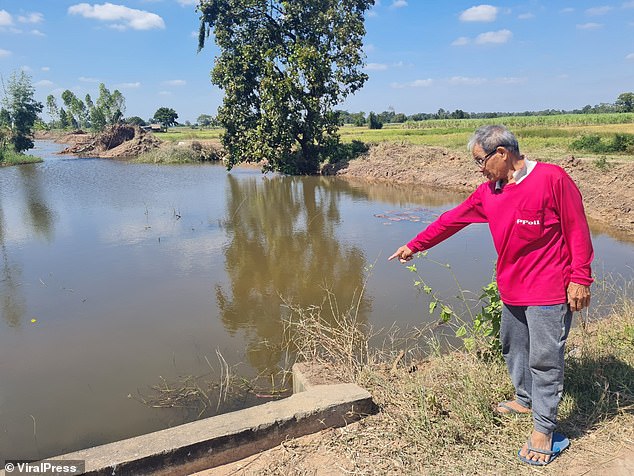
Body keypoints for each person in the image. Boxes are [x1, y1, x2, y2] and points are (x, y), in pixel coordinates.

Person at [389, 124, 593, 466]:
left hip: (549, 289)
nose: (479, 169)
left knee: (545, 357)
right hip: (512, 287)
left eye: (480, 161)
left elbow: (577, 228)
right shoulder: (489, 192)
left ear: (502, 153)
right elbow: (451, 219)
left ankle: (544, 428)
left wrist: (580, 278)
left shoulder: (552, 179)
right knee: (514, 347)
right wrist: (415, 244)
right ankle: (525, 398)